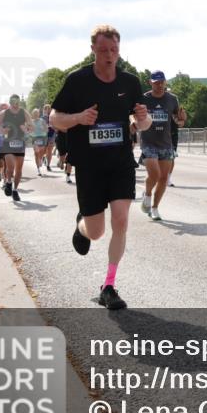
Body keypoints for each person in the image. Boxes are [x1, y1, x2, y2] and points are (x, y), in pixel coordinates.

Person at [50, 25, 150, 310]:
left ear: (119, 49)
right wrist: (79, 118)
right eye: (104, 50)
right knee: (96, 232)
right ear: (93, 49)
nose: (109, 56)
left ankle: (109, 286)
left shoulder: (129, 82)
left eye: (114, 50)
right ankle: (82, 227)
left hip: (120, 163)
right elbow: (55, 118)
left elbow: (143, 125)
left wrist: (142, 119)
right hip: (89, 165)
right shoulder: (78, 81)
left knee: (120, 221)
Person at [139, 71, 183, 221]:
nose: (159, 85)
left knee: (163, 178)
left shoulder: (172, 99)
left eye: (161, 82)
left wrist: (182, 119)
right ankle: (147, 194)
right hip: (148, 142)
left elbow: (179, 120)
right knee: (155, 174)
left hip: (165, 143)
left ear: (165, 82)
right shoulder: (143, 99)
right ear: (150, 83)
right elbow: (133, 114)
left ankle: (155, 208)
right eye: (156, 82)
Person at [0, 95, 32, 201]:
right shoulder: (4, 113)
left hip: (20, 142)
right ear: (10, 103)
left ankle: (15, 190)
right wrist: (2, 130)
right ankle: (9, 181)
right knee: (10, 168)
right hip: (8, 142)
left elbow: (31, 126)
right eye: (14, 102)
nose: (16, 104)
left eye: (17, 102)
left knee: (19, 169)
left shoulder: (24, 112)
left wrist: (27, 128)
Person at [31, 108, 49, 176]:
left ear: (39, 114)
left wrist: (44, 128)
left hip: (42, 137)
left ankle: (41, 159)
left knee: (41, 151)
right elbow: (28, 129)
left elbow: (46, 129)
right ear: (33, 114)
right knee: (36, 153)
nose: (36, 114)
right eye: (34, 113)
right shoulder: (31, 121)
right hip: (34, 138)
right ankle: (38, 169)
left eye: (37, 113)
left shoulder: (42, 121)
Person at [42, 104, 55, 172]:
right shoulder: (43, 117)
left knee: (50, 150)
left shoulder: (53, 116)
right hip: (44, 135)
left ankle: (48, 165)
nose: (48, 110)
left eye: (49, 108)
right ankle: (43, 157)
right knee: (44, 150)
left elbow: (56, 124)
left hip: (52, 134)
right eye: (46, 108)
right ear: (44, 109)